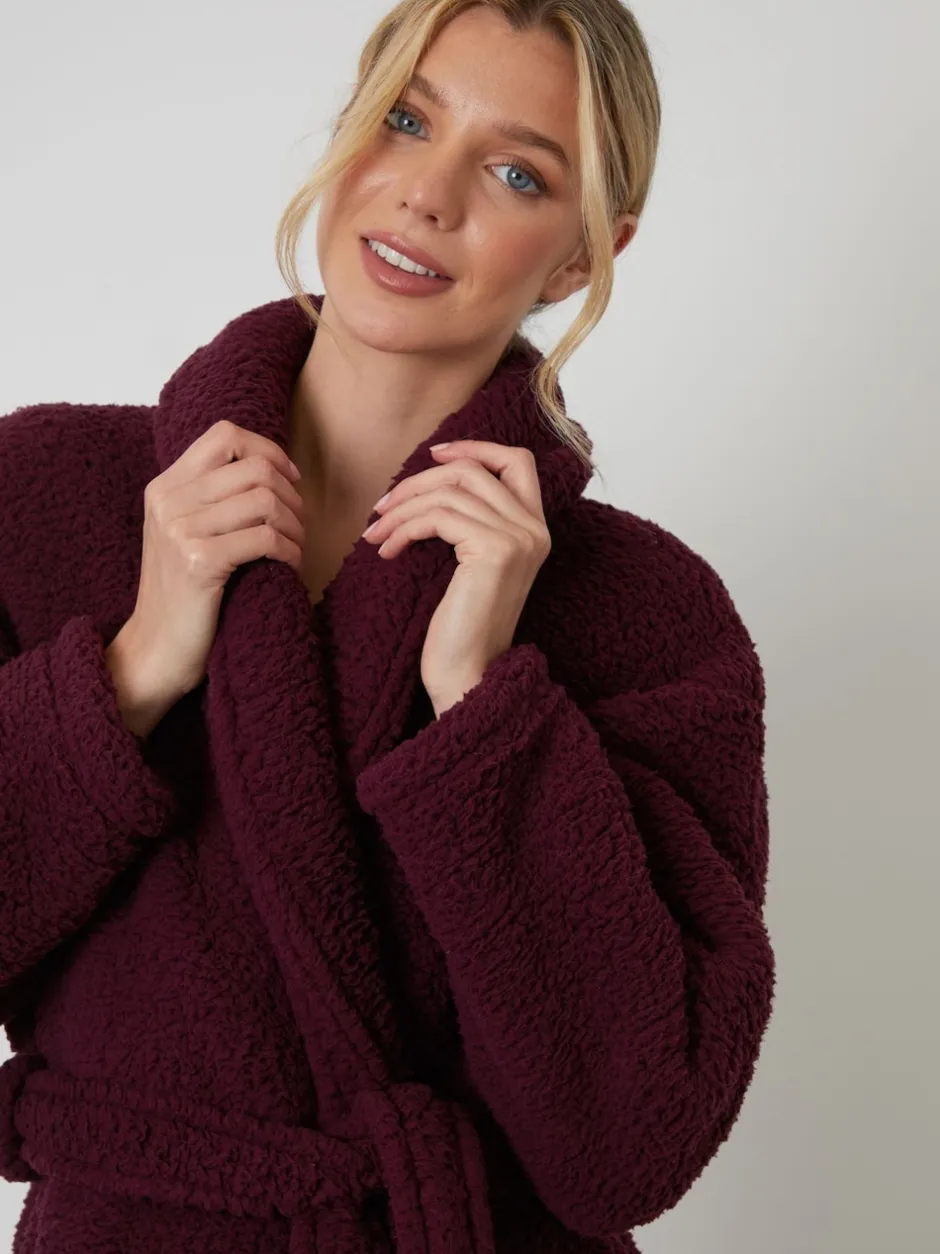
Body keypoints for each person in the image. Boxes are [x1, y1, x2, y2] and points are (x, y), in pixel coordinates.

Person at [0, 2, 776, 1252]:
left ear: (581, 256)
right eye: (408, 121)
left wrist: (482, 705)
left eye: (516, 173)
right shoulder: (47, 498)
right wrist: (134, 668)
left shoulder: (649, 613)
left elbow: (632, 1143)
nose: (427, 194)